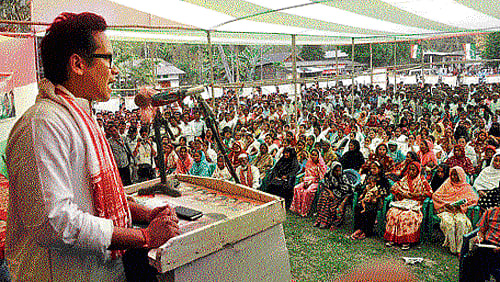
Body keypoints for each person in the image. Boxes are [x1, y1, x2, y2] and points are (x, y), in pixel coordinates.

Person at [4, 12, 179, 281]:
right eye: (108, 59)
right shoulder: (42, 126)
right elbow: (55, 223)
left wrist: (137, 211)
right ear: (77, 64)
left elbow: (89, 201)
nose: (115, 69)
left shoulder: (80, 117)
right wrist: (144, 236)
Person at [384, 162, 432, 250]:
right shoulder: (404, 179)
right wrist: (402, 194)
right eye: (409, 169)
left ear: (418, 171)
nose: (411, 172)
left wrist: (415, 195)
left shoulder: (422, 181)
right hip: (403, 202)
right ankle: (392, 238)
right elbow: (394, 188)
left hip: (416, 203)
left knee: (407, 216)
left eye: (413, 170)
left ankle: (406, 240)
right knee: (393, 213)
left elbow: (429, 193)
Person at [432, 166, 479, 254]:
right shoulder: (447, 184)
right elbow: (435, 196)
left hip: (459, 211)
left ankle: (460, 249)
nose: (453, 177)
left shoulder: (466, 187)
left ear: (461, 175)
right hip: (446, 210)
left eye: (456, 175)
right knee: (449, 223)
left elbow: (474, 199)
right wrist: (445, 204)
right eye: (452, 175)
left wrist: (461, 206)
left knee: (461, 222)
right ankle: (453, 248)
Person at [351, 161, 392, 240]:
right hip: (367, 198)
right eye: (371, 168)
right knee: (358, 206)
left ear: (379, 169)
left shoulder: (383, 180)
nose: (372, 170)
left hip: (377, 200)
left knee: (370, 209)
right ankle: (358, 228)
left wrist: (376, 196)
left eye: (375, 168)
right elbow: (363, 187)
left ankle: (366, 231)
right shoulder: (368, 177)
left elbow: (385, 191)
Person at [461, 207, 500, 282]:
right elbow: (481, 231)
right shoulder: (491, 212)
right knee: (472, 260)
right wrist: (480, 237)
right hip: (488, 245)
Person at [313, 162, 353, 229]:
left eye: (339, 170)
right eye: (336, 171)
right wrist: (331, 193)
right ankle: (320, 219)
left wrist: (342, 201)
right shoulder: (329, 175)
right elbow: (325, 185)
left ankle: (327, 221)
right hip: (331, 192)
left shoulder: (343, 177)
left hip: (340, 195)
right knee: (324, 196)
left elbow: (349, 191)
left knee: (329, 200)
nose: (338, 172)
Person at [290, 149, 327, 217]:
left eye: (315, 155)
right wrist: (306, 182)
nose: (313, 156)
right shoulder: (309, 163)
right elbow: (306, 174)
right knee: (297, 188)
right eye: (312, 154)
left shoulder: (321, 165)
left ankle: (305, 211)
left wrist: (311, 182)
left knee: (307, 191)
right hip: (307, 181)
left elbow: (321, 178)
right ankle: (297, 209)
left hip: (316, 182)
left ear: (318, 156)